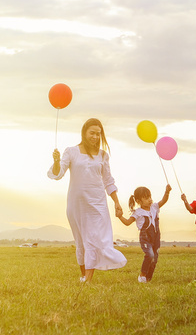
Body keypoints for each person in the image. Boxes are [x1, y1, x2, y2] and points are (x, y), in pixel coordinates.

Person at [48, 118, 127, 283]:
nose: (95, 137)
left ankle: (88, 280)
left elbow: (108, 181)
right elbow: (58, 173)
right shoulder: (71, 151)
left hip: (98, 204)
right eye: (92, 133)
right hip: (76, 205)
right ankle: (83, 276)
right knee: (81, 242)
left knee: (91, 238)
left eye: (99, 134)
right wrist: (56, 162)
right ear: (84, 133)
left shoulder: (103, 155)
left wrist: (117, 202)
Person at [116, 184, 171, 283]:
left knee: (154, 258)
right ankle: (142, 275)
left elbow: (164, 200)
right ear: (138, 201)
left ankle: (148, 279)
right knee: (150, 255)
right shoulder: (138, 212)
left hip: (156, 237)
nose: (150, 199)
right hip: (145, 238)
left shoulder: (154, 207)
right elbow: (128, 222)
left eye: (150, 197)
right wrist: (120, 217)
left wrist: (167, 191)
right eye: (146, 198)